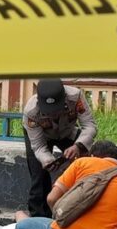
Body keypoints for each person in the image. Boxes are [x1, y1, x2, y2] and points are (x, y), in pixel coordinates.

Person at [23, 78, 97, 217]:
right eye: (48, 111)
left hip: (68, 132)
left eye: (56, 109)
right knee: (39, 177)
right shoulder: (31, 112)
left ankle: (86, 208)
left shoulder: (76, 97)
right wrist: (47, 160)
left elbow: (89, 126)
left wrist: (78, 146)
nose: (53, 114)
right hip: (41, 137)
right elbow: (38, 146)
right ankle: (39, 218)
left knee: (87, 164)